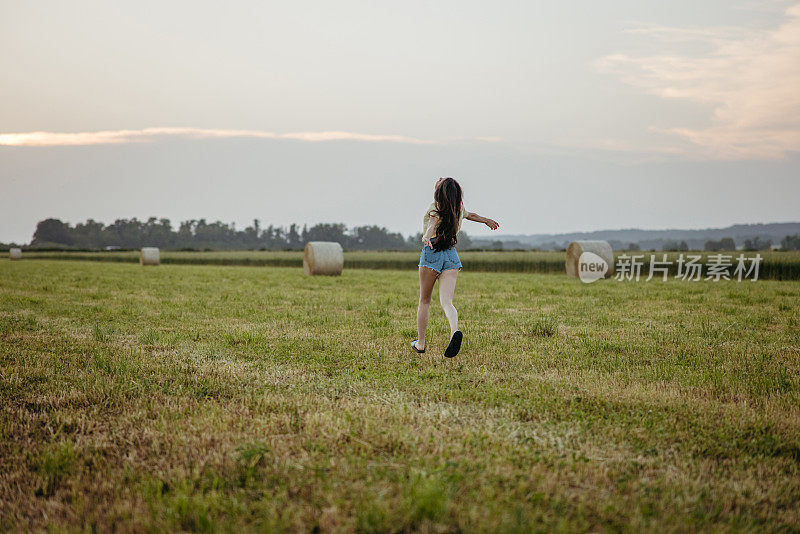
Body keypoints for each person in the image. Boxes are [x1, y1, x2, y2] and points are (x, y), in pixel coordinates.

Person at [411, 177, 500, 357]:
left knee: (424, 301)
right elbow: (470, 215)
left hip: (432, 251)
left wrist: (427, 236)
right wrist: (486, 220)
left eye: (440, 181)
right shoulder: (457, 208)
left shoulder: (436, 207)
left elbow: (432, 224)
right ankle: (454, 331)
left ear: (439, 191)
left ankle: (420, 344)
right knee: (447, 302)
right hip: (451, 254)